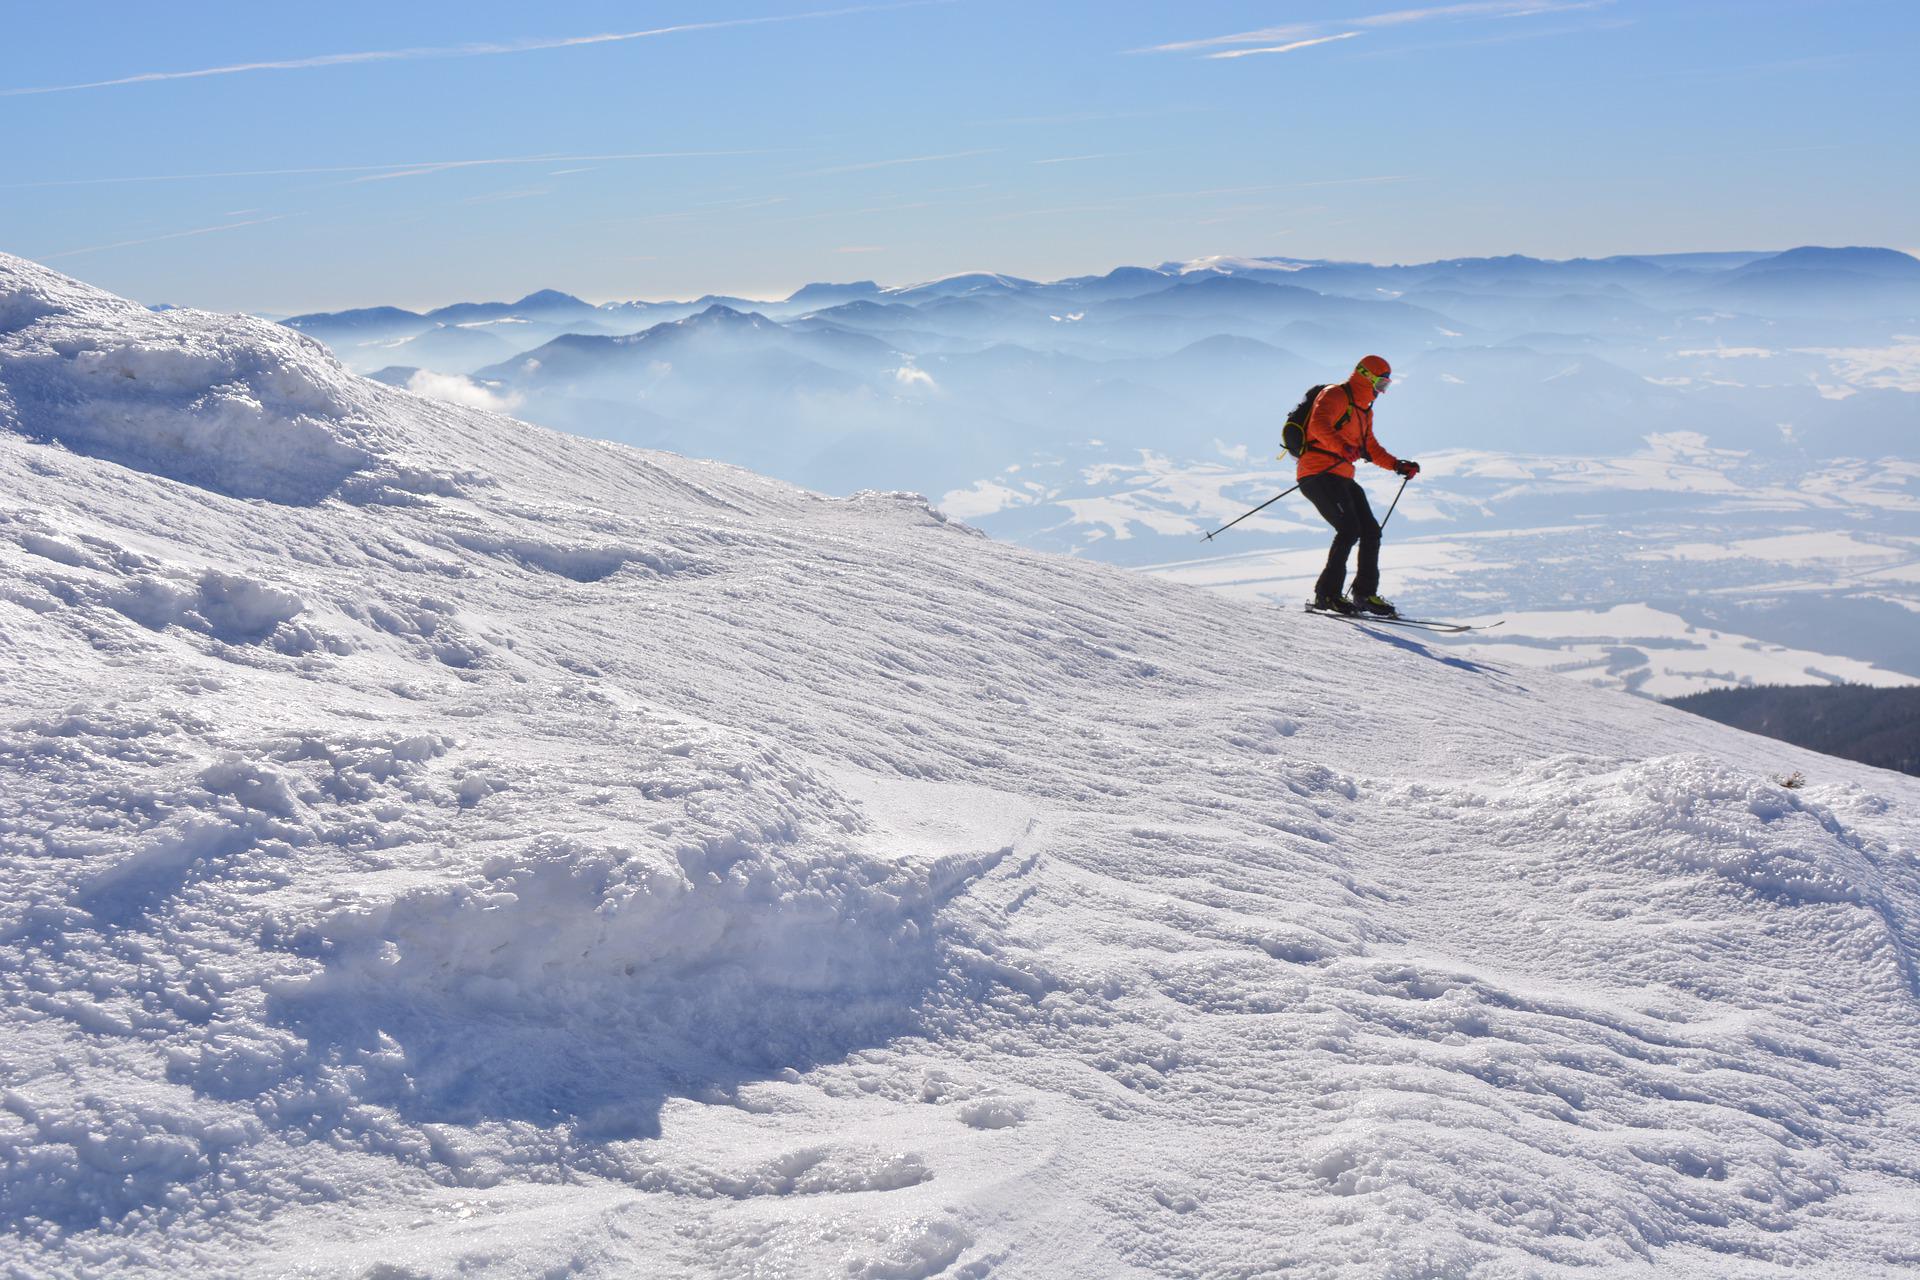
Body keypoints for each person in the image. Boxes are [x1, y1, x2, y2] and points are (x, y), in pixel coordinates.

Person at [1296, 355, 1419, 617]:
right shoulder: (1335, 395)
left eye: (1386, 386)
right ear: (1367, 377)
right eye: (1381, 384)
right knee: (1349, 529)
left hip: (1341, 476)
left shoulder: (1364, 410)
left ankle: (1364, 595)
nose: (1382, 391)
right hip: (1317, 473)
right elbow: (1318, 425)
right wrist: (1341, 447)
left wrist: (1397, 465)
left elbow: (1370, 448)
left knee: (1371, 531)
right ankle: (1326, 595)